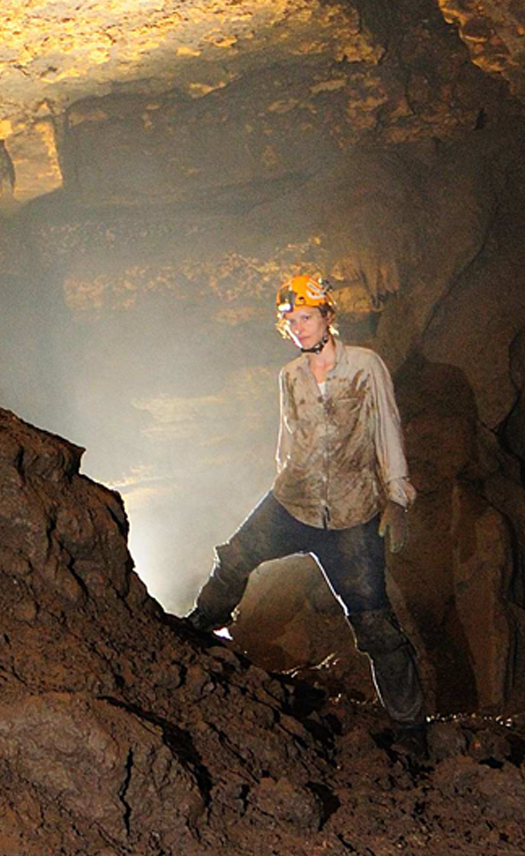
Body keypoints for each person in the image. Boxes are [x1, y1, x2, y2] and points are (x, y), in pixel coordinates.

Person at [185, 271, 427, 753]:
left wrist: (397, 496)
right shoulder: (289, 376)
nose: (300, 328)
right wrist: (279, 484)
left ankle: (411, 731)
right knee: (235, 558)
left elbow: (388, 426)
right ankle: (194, 632)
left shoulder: (365, 366)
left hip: (352, 515)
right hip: (293, 502)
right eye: (292, 321)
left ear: (328, 317)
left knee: (375, 624)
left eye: (307, 317)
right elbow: (288, 439)